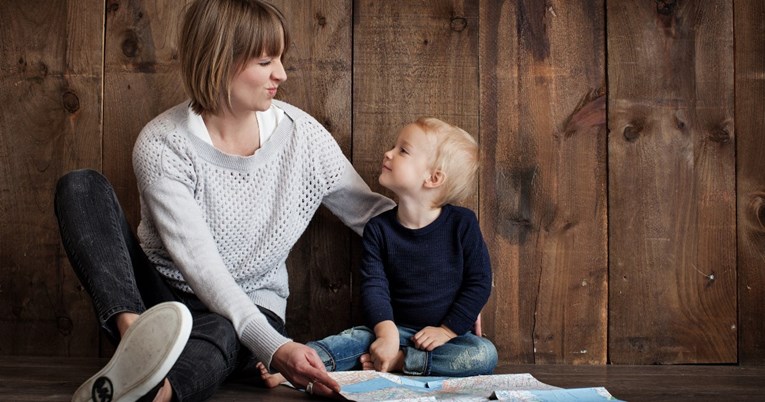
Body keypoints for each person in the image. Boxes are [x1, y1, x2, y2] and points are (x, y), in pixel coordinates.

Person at [54, 0, 394, 400]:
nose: (281, 74)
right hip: (159, 302)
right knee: (80, 186)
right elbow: (200, 266)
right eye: (266, 62)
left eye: (280, 59)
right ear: (220, 60)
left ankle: (154, 393)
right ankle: (137, 346)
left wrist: (452, 264)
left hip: (252, 311)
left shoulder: (304, 138)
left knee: (224, 327)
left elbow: (373, 215)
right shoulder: (162, 144)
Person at [261, 117, 497, 387]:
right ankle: (295, 366)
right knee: (351, 340)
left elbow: (479, 282)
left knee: (484, 354)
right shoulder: (379, 229)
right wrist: (386, 334)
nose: (389, 153)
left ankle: (400, 362)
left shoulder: (462, 223)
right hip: (393, 328)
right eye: (394, 147)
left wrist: (447, 330)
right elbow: (374, 286)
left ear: (433, 178)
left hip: (446, 338)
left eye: (403, 151)